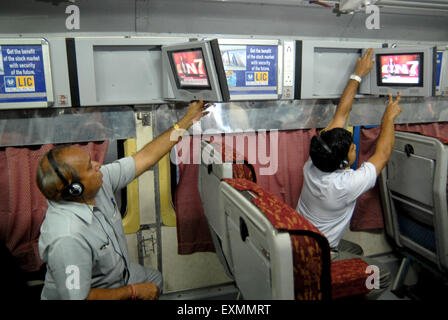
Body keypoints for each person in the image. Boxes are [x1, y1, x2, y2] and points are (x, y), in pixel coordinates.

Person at [37, 100, 211, 300]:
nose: (97, 164)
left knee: (154, 279)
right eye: (88, 167)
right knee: (149, 286)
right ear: (75, 189)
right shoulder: (67, 238)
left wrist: (187, 120)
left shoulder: (100, 181)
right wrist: (133, 291)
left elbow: (146, 157)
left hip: (119, 274)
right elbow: (78, 298)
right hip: (95, 294)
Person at [296, 48, 402, 299]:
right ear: (344, 161)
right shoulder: (344, 185)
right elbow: (383, 154)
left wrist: (357, 75)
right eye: (354, 148)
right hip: (321, 252)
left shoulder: (314, 162)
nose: (356, 148)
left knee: (355, 249)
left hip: (302, 244)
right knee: (380, 275)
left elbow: (341, 114)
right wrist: (389, 117)